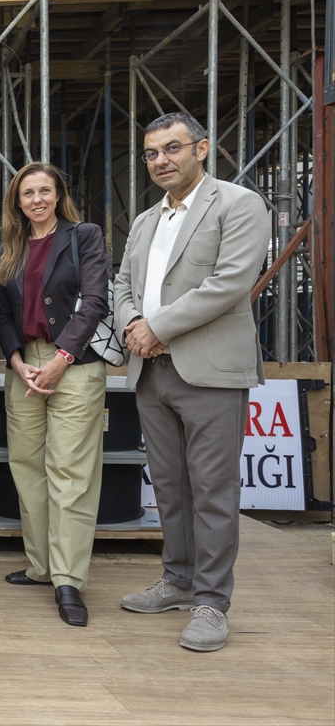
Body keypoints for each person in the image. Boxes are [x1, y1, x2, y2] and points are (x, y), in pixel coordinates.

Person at [114, 112, 270, 652]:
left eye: (172, 148)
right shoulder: (144, 220)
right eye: (152, 153)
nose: (161, 160)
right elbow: (122, 283)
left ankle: (212, 602)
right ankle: (177, 580)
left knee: (213, 491)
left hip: (207, 370)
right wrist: (133, 326)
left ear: (202, 148)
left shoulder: (237, 204)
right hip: (150, 370)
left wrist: (156, 327)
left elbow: (231, 282)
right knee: (170, 488)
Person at [0, 162, 109, 627]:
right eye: (28, 193)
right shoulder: (10, 250)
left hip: (74, 365)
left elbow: (95, 300)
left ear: (59, 194)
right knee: (26, 465)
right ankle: (40, 565)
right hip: (24, 367)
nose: (37, 199)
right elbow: (1, 313)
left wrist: (62, 358)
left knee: (70, 472)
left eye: (45, 190)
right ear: (17, 202)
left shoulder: (84, 236)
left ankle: (67, 580)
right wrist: (15, 359)